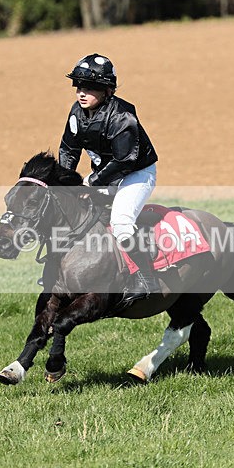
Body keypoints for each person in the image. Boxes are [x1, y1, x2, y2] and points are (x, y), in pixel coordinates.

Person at [58, 53, 160, 302]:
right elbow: (68, 150)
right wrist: (65, 183)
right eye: (78, 87)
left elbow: (125, 161)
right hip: (106, 174)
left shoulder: (122, 117)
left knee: (122, 224)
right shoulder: (77, 113)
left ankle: (147, 280)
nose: (81, 93)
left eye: (89, 88)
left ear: (107, 91)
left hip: (135, 174)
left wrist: (92, 182)